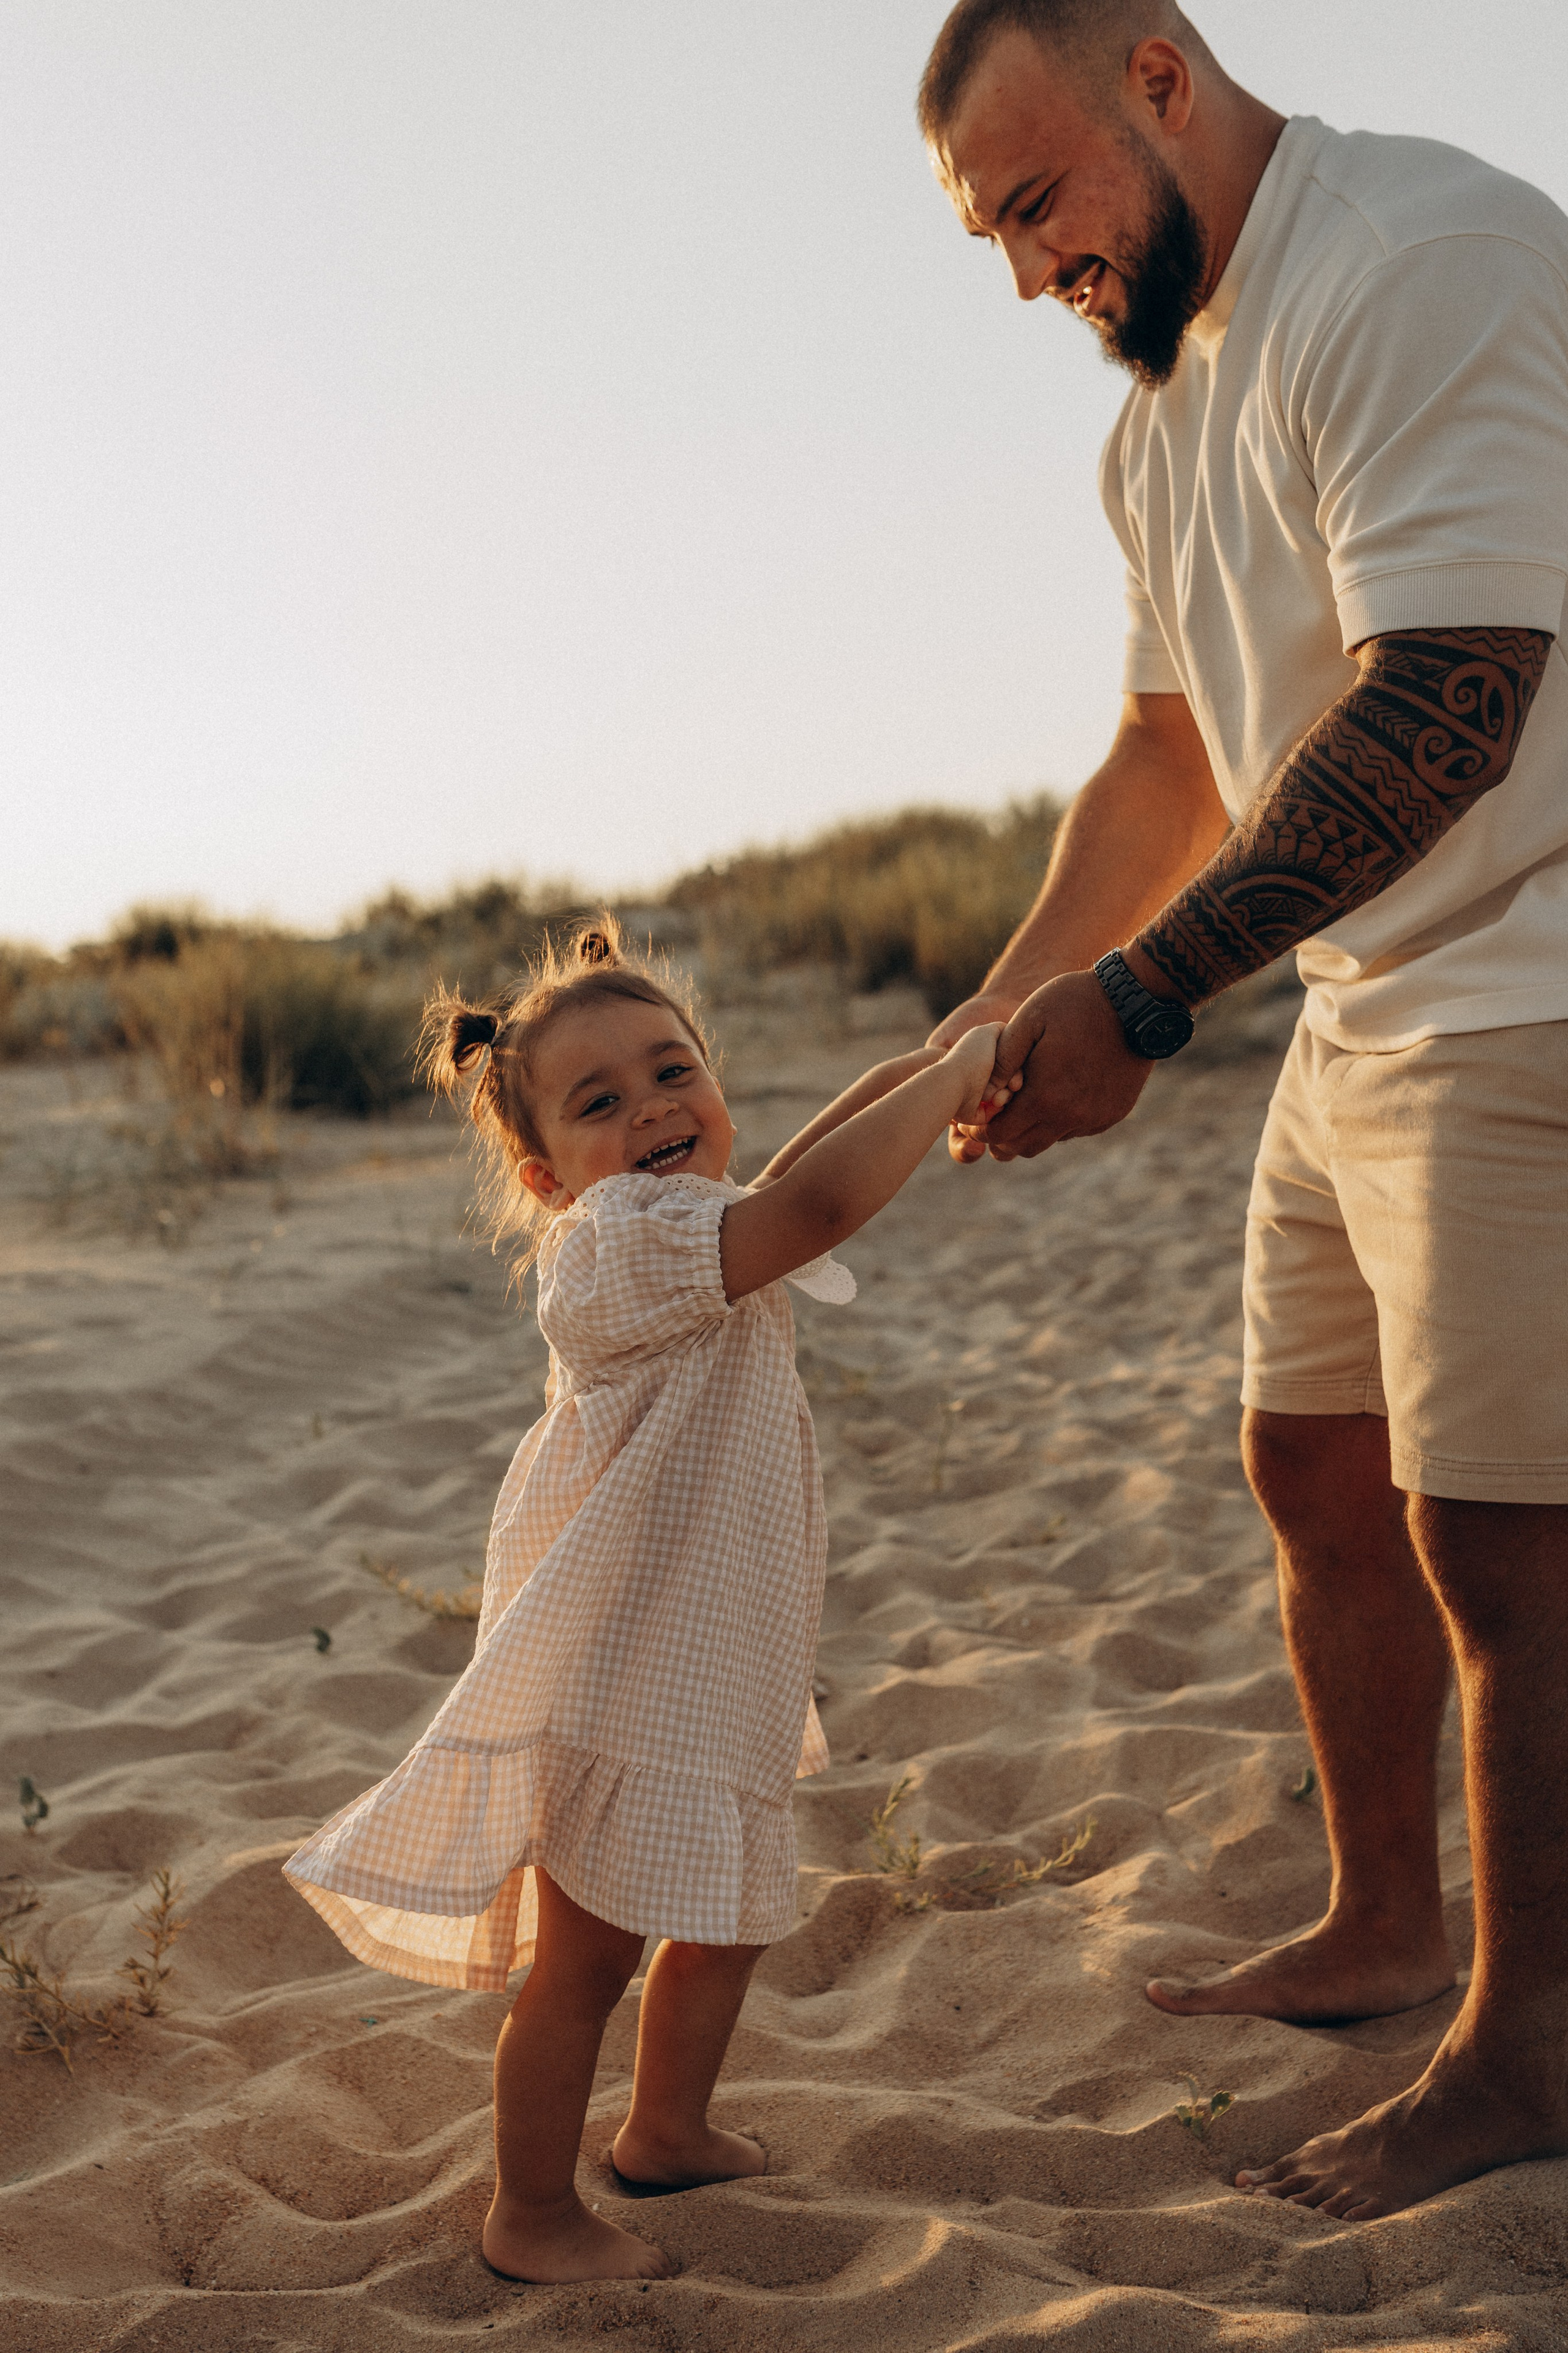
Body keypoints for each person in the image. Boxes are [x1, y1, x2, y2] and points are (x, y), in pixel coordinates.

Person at [917, 0, 1568, 2223]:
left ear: (1159, 79)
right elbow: (1170, 762)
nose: (1025, 271)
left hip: (1534, 980)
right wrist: (1001, 1012)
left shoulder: (1418, 261)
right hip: (1358, 990)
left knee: (1507, 1538)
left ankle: (1532, 2043)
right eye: (990, 236)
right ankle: (1389, 1920)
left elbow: (1458, 696)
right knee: (1310, 1460)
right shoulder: (1159, 415)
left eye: (1038, 203)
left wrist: (1145, 1003)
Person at [284, 921, 1011, 2285]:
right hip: (619, 1673)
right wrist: (957, 1070)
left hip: (710, 1653)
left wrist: (918, 1061)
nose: (654, 1109)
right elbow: (818, 1206)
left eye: (673, 1069)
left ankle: (667, 2127)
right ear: (546, 1175)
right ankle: (529, 2210)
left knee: (722, 1915)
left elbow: (792, 1169)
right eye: (601, 1102)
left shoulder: (693, 1213)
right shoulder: (618, 1241)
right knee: (586, 1961)